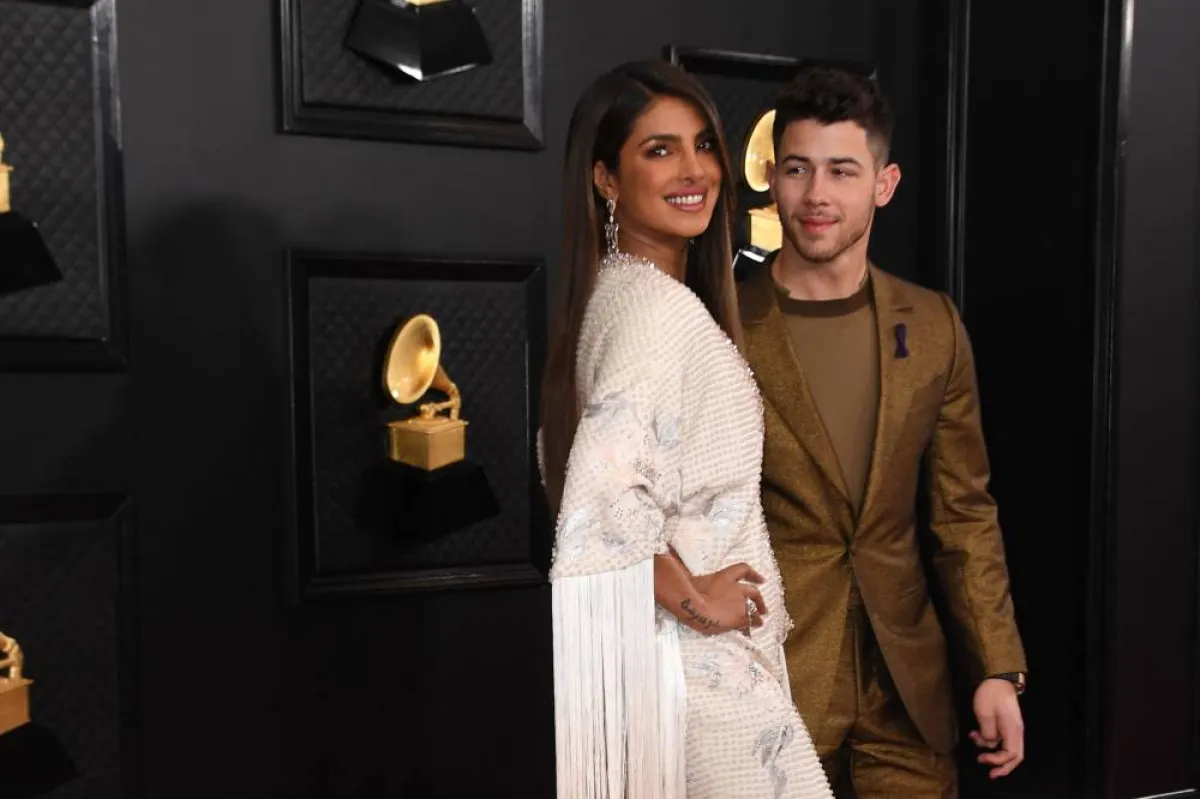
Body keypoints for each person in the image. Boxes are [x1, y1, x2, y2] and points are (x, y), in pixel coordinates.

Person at [539, 60, 833, 798]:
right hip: (698, 670)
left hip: (678, 665)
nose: (694, 169)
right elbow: (605, 502)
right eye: (659, 150)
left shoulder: (615, 297)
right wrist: (702, 606)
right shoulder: (654, 314)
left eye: (703, 145)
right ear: (606, 178)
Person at [737, 63, 1028, 797]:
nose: (817, 194)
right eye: (798, 168)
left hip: (908, 692)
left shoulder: (933, 325)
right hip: (771, 682)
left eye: (842, 171)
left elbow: (963, 511)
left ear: (884, 184)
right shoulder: (723, 323)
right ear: (772, 179)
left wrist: (996, 667)